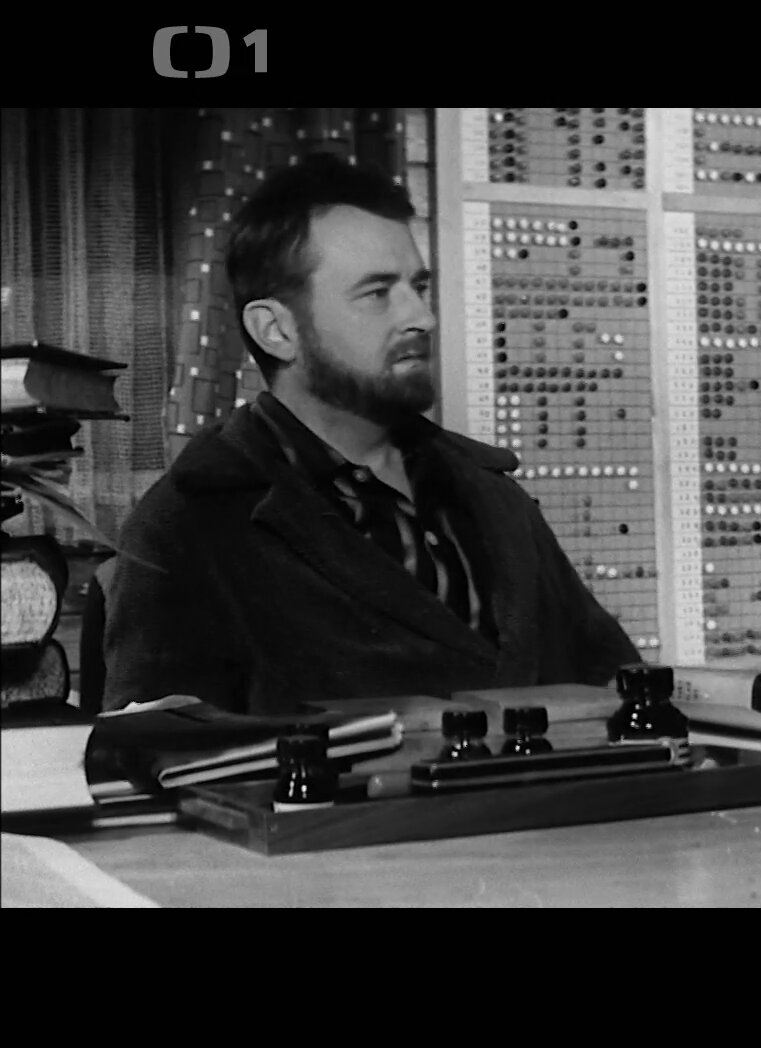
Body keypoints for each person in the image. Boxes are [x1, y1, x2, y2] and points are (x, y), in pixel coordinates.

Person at [103, 154, 638, 715]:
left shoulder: (494, 495)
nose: (422, 317)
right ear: (277, 329)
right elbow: (157, 755)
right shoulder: (190, 525)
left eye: (418, 287)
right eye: (377, 292)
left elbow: (616, 687)